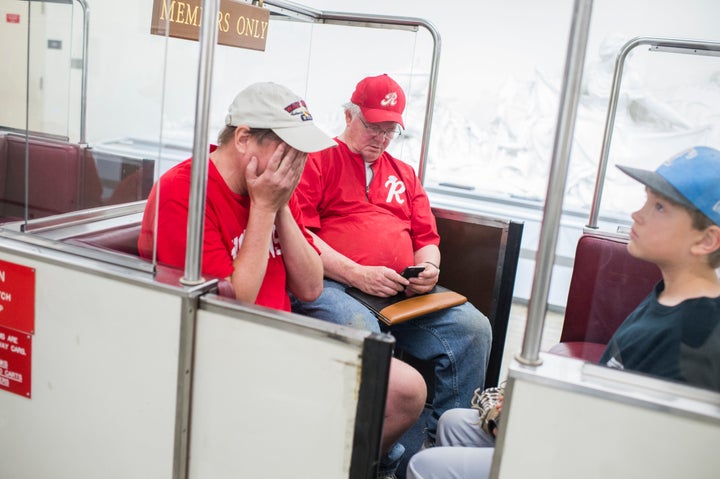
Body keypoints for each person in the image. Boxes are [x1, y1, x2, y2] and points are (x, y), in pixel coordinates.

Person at [137, 82, 426, 478]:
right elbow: (230, 308)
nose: (299, 162)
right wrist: (263, 209)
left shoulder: (269, 191)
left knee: (406, 390)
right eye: (289, 150)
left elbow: (309, 287)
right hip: (226, 353)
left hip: (280, 340)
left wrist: (282, 207)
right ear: (243, 138)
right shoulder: (185, 191)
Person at [405, 145, 720, 479]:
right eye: (646, 199)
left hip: (594, 461)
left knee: (423, 467)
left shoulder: (700, 338)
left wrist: (537, 423)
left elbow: (636, 453)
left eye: (659, 207)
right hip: (592, 434)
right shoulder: (666, 295)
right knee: (454, 424)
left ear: (706, 240)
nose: (637, 214)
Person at [289, 73, 493, 463]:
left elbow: (426, 238)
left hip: (401, 291)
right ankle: (370, 454)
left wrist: (428, 269)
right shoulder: (316, 161)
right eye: (372, 126)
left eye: (389, 130)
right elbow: (303, 236)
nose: (380, 138)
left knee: (474, 328)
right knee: (365, 336)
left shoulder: (404, 173)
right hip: (338, 285)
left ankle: (446, 453)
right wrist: (355, 273)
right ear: (348, 116)